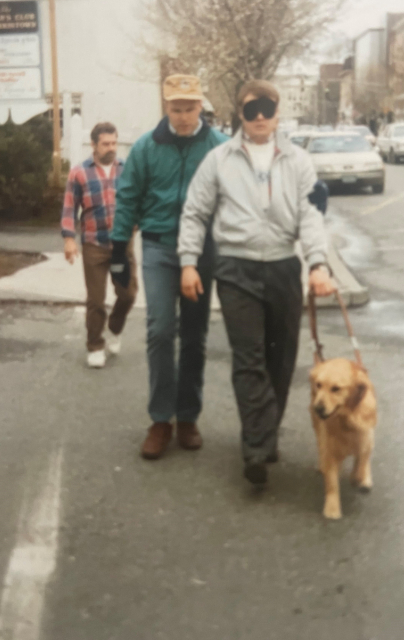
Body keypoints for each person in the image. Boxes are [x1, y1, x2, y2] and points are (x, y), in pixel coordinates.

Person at [178, 79, 335, 486]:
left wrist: (318, 263)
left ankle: (263, 435)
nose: (261, 116)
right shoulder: (218, 160)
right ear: (240, 115)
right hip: (235, 269)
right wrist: (189, 262)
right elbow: (195, 212)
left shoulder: (298, 161)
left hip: (284, 267)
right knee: (248, 360)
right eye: (251, 109)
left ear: (278, 111)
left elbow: (310, 214)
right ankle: (256, 449)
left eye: (267, 107)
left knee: (280, 361)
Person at [110, 74, 228, 459]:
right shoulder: (146, 148)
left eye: (189, 108)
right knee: (160, 329)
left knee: (194, 334)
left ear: (201, 106)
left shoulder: (219, 147)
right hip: (160, 247)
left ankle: (188, 416)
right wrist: (117, 252)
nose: (182, 116)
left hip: (204, 249)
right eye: (175, 108)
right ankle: (161, 418)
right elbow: (127, 199)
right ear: (166, 107)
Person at [61, 122, 137, 369]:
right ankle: (95, 346)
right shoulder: (79, 172)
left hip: (121, 246)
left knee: (128, 294)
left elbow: (139, 199)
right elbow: (70, 207)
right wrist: (69, 238)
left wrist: (137, 222)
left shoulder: (126, 169)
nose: (111, 148)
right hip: (94, 245)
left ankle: (115, 327)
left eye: (114, 142)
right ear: (93, 145)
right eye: (106, 144)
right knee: (96, 299)